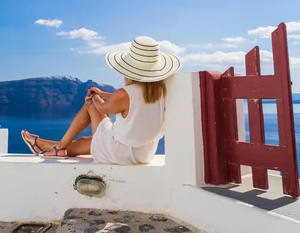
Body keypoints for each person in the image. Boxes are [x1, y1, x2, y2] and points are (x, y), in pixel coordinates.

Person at [21, 36, 181, 165]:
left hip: (120, 153)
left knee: (90, 104)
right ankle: (41, 144)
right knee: (81, 143)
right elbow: (130, 101)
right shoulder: (159, 93)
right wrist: (103, 93)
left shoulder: (125, 93)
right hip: (145, 153)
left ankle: (60, 146)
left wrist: (95, 96)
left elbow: (103, 109)